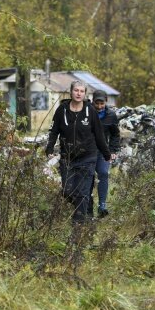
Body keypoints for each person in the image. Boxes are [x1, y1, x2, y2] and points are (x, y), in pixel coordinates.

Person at [45, 81, 111, 223]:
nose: (79, 93)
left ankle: (78, 226)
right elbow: (54, 130)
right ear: (71, 92)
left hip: (88, 157)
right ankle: (86, 208)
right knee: (67, 191)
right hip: (67, 157)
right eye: (76, 90)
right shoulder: (61, 110)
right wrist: (49, 147)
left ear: (85, 94)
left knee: (82, 192)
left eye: (82, 91)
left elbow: (99, 134)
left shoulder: (90, 111)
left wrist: (106, 154)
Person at [90, 89, 120, 217]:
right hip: (88, 151)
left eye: (101, 103)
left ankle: (102, 205)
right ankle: (87, 205)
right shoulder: (87, 112)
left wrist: (113, 150)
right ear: (93, 102)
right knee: (89, 177)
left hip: (103, 151)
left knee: (103, 173)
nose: (99, 106)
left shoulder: (111, 115)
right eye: (97, 103)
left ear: (106, 102)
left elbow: (115, 134)